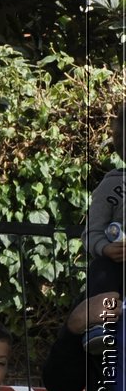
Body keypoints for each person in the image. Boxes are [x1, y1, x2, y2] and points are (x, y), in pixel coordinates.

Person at [81, 101, 126, 353]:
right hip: (118, 267)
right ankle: (102, 326)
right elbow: (92, 232)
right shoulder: (111, 186)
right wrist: (106, 249)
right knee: (102, 269)